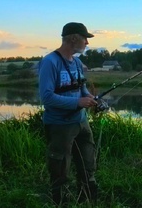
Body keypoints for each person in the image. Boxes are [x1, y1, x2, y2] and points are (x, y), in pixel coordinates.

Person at [38, 22, 99, 205]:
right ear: (73, 38)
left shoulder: (78, 62)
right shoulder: (50, 62)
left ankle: (86, 200)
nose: (87, 43)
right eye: (85, 38)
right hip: (59, 125)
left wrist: (92, 99)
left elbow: (82, 90)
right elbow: (46, 97)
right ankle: (61, 202)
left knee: (88, 163)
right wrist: (78, 102)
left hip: (81, 122)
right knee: (60, 169)